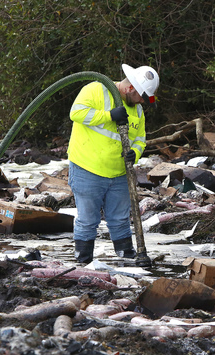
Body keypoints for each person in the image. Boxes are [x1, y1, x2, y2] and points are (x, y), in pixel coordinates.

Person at [67, 63, 159, 263]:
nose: (142, 102)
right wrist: (109, 116)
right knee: (88, 219)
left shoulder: (138, 110)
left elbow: (140, 138)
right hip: (87, 168)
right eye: (140, 97)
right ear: (130, 88)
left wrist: (135, 152)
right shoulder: (96, 90)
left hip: (119, 174)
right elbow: (76, 113)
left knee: (119, 218)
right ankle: (83, 259)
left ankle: (126, 255)